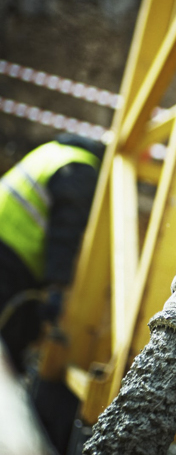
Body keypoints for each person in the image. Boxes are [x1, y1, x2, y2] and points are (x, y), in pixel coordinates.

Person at [0, 132, 104, 373]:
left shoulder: (54, 151)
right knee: (12, 337)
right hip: (11, 255)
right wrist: (56, 286)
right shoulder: (81, 169)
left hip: (9, 247)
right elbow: (64, 234)